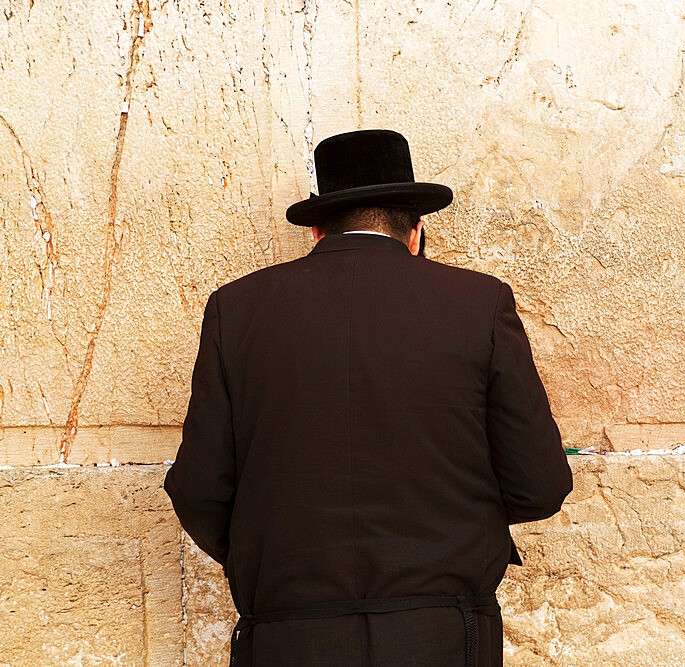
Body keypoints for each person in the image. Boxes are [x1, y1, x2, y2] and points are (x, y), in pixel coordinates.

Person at [163, 129, 573, 666]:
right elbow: (540, 485)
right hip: (443, 636)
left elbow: (198, 489)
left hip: (291, 637)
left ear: (315, 230)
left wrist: (272, 567)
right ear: (417, 231)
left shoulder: (235, 310)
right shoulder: (479, 304)